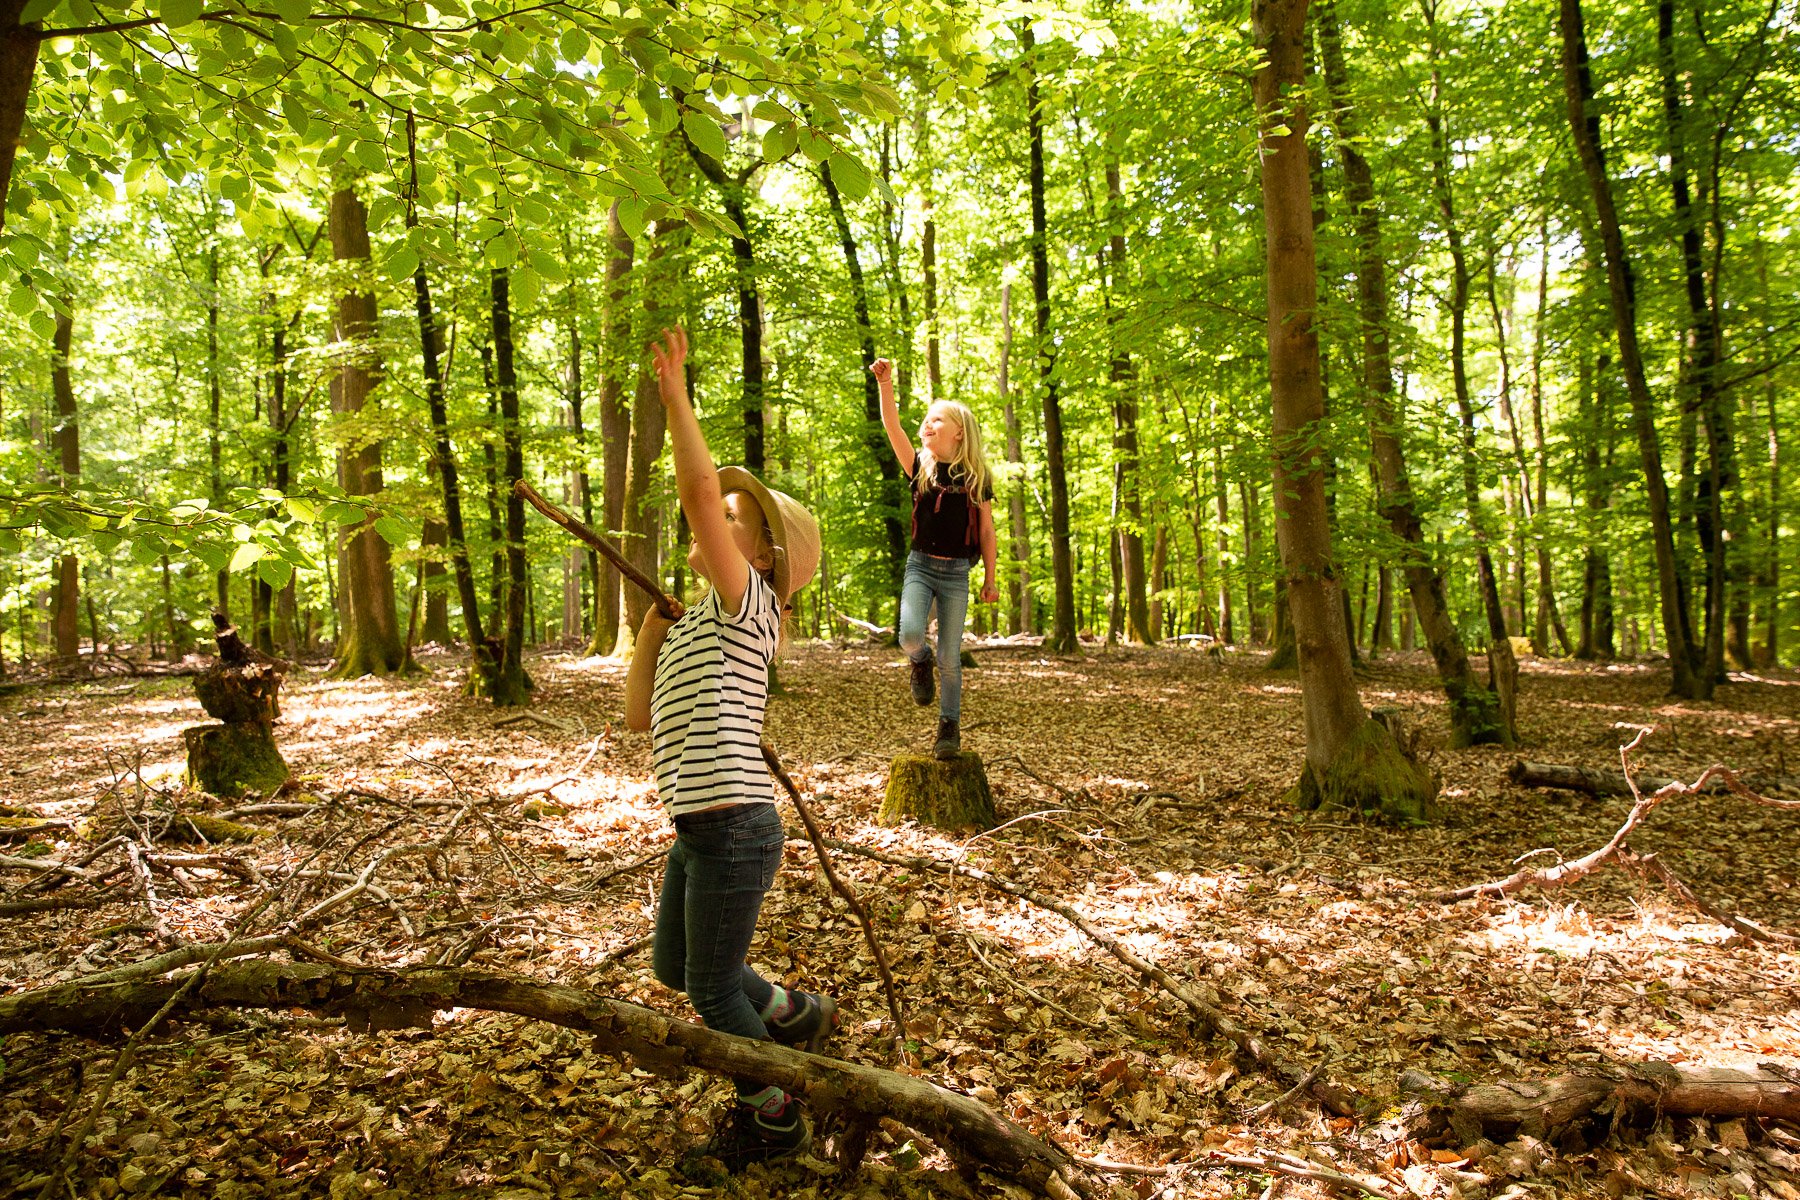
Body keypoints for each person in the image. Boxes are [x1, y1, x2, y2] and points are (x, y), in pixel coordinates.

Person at [624, 327, 837, 1170]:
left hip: (737, 825)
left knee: (711, 990)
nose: (716, 517)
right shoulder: (698, 626)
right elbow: (640, 719)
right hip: (697, 828)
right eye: (722, 513)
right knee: (675, 968)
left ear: (761, 555)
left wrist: (676, 397)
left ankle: (775, 1108)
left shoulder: (752, 604)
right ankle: (791, 1013)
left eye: (733, 518)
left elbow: (697, 489)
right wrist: (648, 633)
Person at [872, 358, 998, 760]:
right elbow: (893, 426)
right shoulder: (919, 467)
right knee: (909, 635)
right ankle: (918, 661)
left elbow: (988, 532)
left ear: (959, 433)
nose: (927, 424)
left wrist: (991, 579)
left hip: (957, 573)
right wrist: (886, 383)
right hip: (921, 566)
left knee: (951, 656)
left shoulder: (976, 476)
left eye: (936, 420)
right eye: (925, 420)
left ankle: (949, 726)